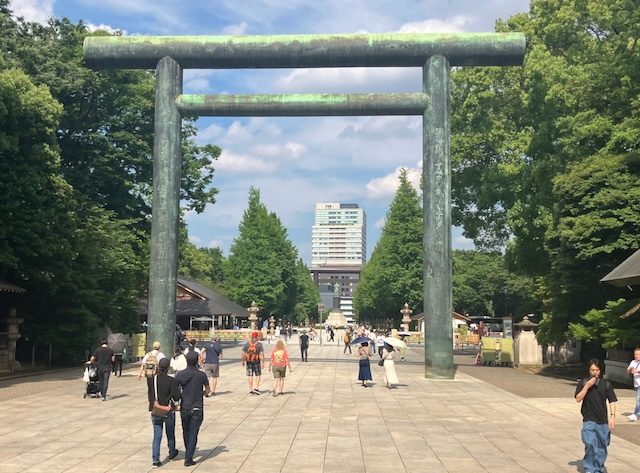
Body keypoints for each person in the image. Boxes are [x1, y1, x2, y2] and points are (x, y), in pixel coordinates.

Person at [575, 359, 617, 473]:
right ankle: (589, 469)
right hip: (588, 419)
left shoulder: (606, 384)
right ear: (589, 370)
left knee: (602, 446)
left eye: (597, 370)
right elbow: (578, 399)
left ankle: (598, 468)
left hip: (602, 420)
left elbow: (612, 400)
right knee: (590, 444)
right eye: (592, 370)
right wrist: (587, 386)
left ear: (600, 370)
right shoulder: (583, 382)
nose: (595, 372)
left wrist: (612, 417)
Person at [175, 351, 210, 467]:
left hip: (185, 406)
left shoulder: (180, 375)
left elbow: (175, 390)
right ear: (196, 360)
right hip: (197, 407)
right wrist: (203, 393)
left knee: (186, 430)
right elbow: (208, 390)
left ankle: (188, 452)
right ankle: (188, 457)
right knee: (194, 432)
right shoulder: (201, 375)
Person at [150, 358, 181, 467]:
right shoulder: (171, 380)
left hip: (156, 411)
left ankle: (155, 459)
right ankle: (172, 452)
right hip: (168, 410)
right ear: (168, 367)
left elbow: (151, 396)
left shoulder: (153, 380)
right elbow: (177, 396)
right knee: (170, 433)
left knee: (157, 436)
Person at [139, 341, 166, 407]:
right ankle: (157, 403)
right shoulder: (161, 354)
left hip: (149, 374)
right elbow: (164, 363)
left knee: (150, 389)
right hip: (157, 374)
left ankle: (151, 404)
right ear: (159, 347)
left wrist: (140, 373)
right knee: (157, 389)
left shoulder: (148, 354)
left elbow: (143, 364)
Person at [626, 347, 640, 421]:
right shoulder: (633, 362)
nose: (636, 356)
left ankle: (636, 414)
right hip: (637, 383)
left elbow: (637, 371)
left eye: (638, 354)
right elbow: (628, 371)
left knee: (638, 399)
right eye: (635, 354)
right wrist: (630, 369)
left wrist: (637, 371)